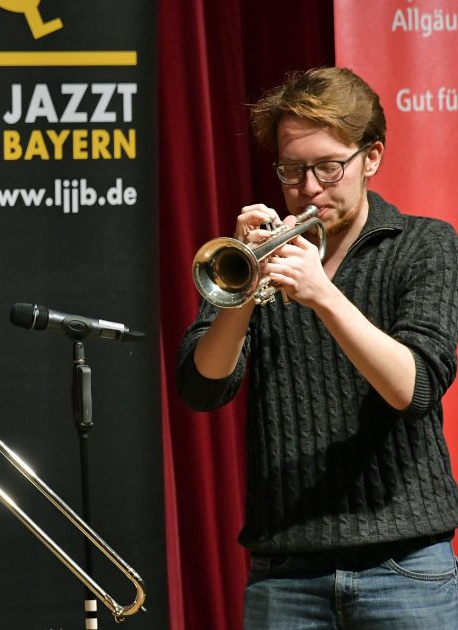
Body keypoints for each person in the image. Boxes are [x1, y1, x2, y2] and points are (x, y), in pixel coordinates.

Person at [177, 66, 458, 627]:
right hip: (285, 571)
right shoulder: (262, 257)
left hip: (404, 568)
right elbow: (202, 388)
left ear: (371, 158)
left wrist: (324, 296)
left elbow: (417, 388)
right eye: (292, 170)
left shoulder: (425, 244)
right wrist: (245, 288)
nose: (308, 188)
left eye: (329, 167)